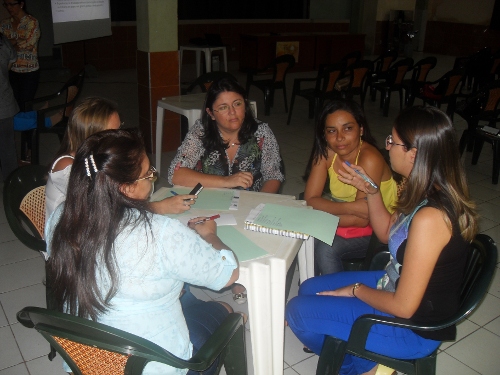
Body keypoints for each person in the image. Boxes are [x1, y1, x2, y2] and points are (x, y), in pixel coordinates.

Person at [286, 106, 478, 375]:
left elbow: (403, 306)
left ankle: (360, 367)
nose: (387, 147)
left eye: (393, 141)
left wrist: (355, 289)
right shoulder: (416, 186)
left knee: (296, 311)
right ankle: (364, 359)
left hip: (410, 329)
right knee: (308, 289)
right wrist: (372, 192)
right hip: (392, 284)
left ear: (414, 153)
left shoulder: (431, 217)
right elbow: (387, 233)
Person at [45, 129, 240, 375]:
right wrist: (210, 235)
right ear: (126, 188)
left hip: (87, 360)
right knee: (226, 311)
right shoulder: (159, 232)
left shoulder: (60, 218)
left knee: (183, 295)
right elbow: (228, 274)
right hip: (150, 365)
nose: (153, 178)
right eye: (149, 174)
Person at [45, 96, 194, 221]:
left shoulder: (101, 157)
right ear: (91, 137)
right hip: (71, 238)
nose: (119, 135)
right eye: (113, 132)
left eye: (119, 128)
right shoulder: (67, 166)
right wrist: (160, 207)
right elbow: (109, 209)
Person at [304, 99, 396, 275]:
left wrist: (318, 218)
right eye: (332, 131)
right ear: (324, 134)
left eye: (348, 128)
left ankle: (338, 297)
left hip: (381, 229)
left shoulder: (369, 158)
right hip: (348, 220)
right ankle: (314, 291)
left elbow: (362, 220)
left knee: (326, 249)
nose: (339, 137)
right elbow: (310, 200)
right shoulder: (325, 153)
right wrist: (350, 208)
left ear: (361, 130)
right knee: (304, 240)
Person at [168, 77, 284, 193]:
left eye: (237, 104)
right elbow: (175, 174)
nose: (232, 112)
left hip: (249, 202)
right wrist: (227, 181)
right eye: (223, 107)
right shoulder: (201, 132)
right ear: (211, 113)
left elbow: (274, 176)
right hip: (210, 201)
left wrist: (259, 204)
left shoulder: (261, 132)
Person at [1, 0, 40, 162]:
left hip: (29, 72)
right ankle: (12, 147)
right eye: (6, 5)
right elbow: (9, 46)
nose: (9, 8)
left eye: (12, 4)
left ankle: (29, 150)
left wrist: (10, 45)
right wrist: (14, 44)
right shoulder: (4, 24)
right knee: (12, 112)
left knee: (25, 109)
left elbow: (28, 43)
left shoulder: (32, 22)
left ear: (22, 4)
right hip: (11, 73)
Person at [0, 31, 19, 181]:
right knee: (7, 147)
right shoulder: (2, 40)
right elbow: (11, 61)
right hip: (4, 101)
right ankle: (11, 185)